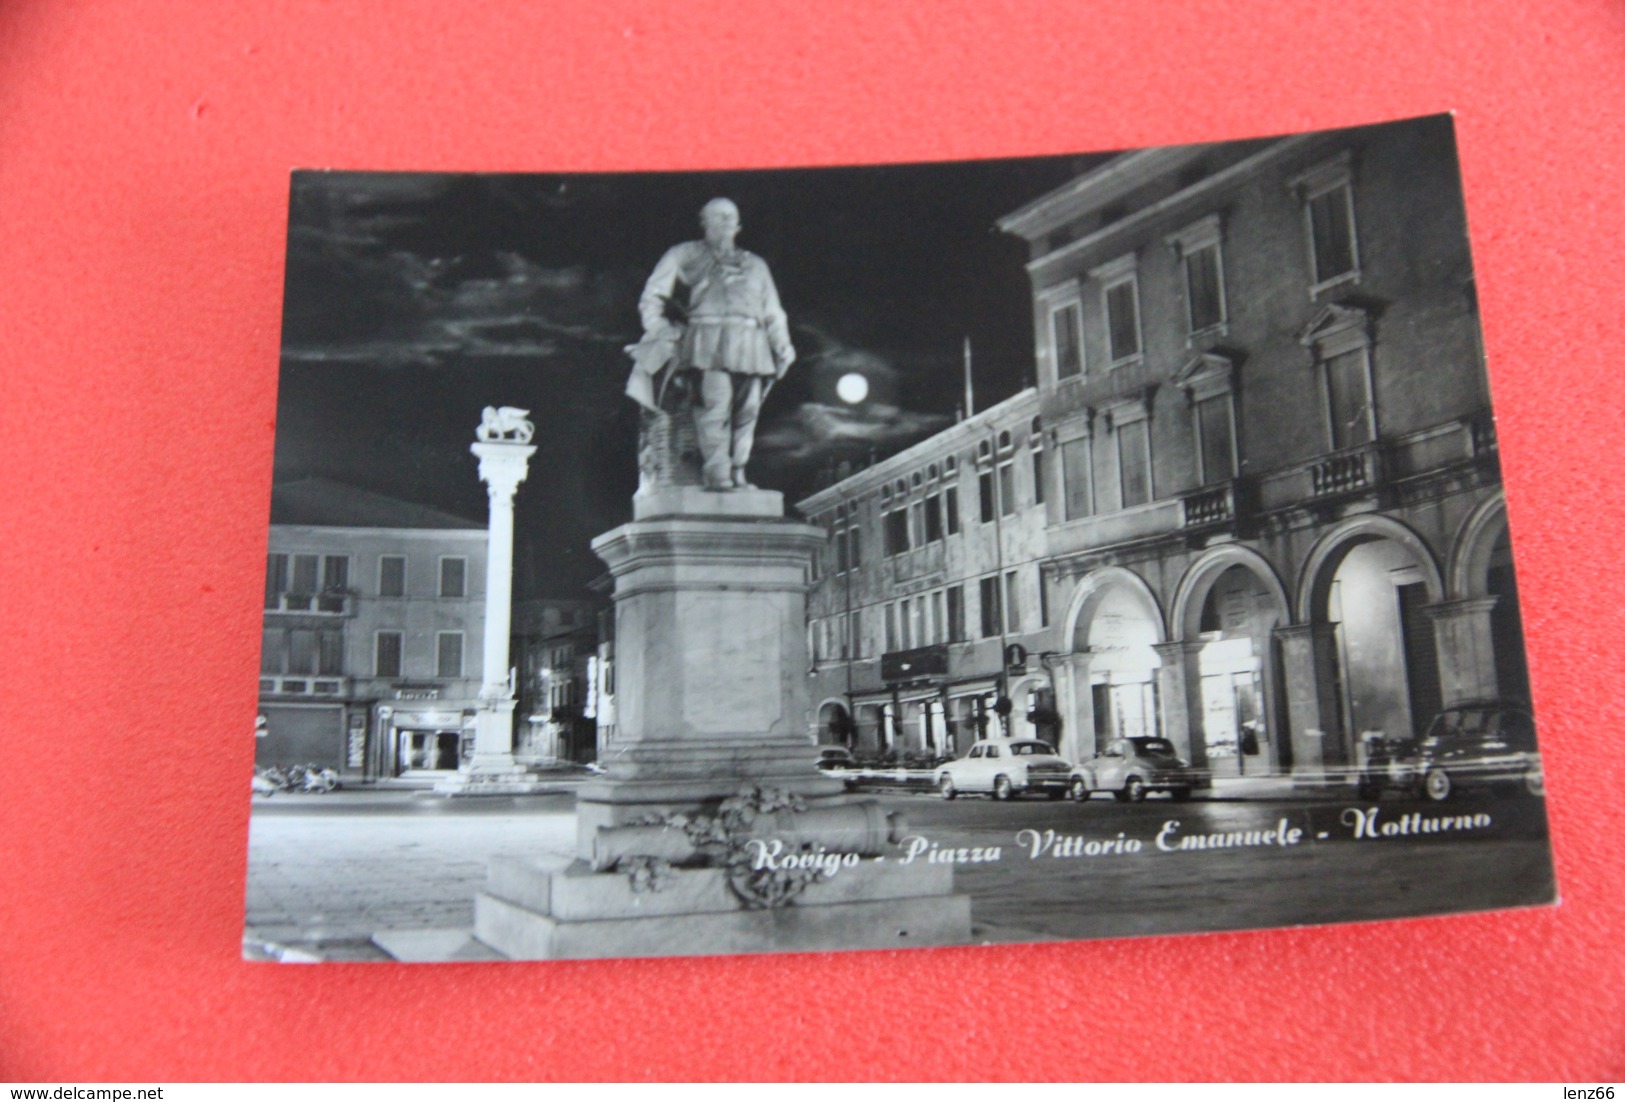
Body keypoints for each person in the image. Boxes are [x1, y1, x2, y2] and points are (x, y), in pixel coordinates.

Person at [629, 198, 796, 491]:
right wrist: (659, 328)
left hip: (751, 341)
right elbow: (653, 294)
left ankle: (739, 471)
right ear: (703, 221)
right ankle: (718, 475)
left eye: (731, 217)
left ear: (739, 224)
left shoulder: (756, 265)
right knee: (714, 407)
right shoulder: (684, 254)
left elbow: (772, 311)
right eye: (718, 217)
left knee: (748, 411)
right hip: (707, 338)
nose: (725, 222)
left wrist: (782, 345)